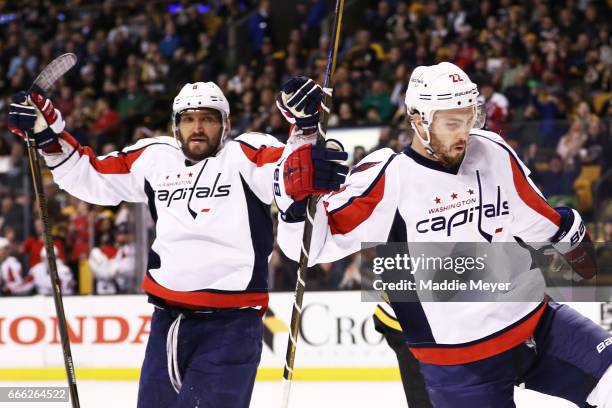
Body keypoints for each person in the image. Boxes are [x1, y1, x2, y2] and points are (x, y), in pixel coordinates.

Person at [274, 63, 611, 407]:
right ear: (419, 120)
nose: (464, 132)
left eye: (470, 118)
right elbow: (307, 252)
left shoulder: (491, 149)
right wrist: (296, 207)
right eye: (452, 122)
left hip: (538, 325)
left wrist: (569, 235)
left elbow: (532, 214)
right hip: (461, 364)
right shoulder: (389, 177)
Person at [8, 79, 345, 407]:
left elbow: (288, 174)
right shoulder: (154, 158)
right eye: (189, 119)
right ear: (175, 126)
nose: (197, 128)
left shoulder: (245, 155)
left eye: (208, 119)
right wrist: (48, 138)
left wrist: (305, 131)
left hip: (231, 326)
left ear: (225, 125)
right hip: (166, 324)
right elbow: (91, 176)